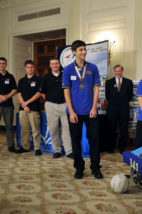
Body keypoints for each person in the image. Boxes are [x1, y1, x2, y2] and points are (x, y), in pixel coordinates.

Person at [62, 40, 103, 179]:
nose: (84, 52)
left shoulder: (93, 67)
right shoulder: (67, 70)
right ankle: (79, 167)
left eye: (85, 49)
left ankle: (95, 167)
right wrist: (71, 111)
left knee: (95, 139)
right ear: (74, 52)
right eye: (80, 50)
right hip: (74, 112)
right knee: (75, 139)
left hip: (90, 111)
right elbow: (66, 92)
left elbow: (96, 88)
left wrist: (94, 107)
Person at [40, 57, 73, 159]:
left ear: (59, 64)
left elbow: (70, 90)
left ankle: (69, 151)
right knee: (53, 130)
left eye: (56, 63)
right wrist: (51, 100)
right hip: (51, 106)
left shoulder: (65, 75)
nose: (54, 65)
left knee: (67, 129)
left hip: (65, 105)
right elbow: (42, 93)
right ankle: (57, 150)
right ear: (50, 66)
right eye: (52, 64)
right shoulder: (46, 77)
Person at [105, 65, 133, 154]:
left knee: (123, 130)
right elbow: (107, 96)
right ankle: (111, 148)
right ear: (114, 72)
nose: (117, 73)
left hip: (124, 109)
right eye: (116, 71)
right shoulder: (109, 82)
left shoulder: (128, 82)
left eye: (119, 71)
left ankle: (122, 148)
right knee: (111, 129)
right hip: (112, 110)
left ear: (122, 71)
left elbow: (130, 96)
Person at [16, 60, 42, 155]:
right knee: (24, 129)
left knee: (35, 129)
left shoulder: (39, 80)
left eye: (31, 67)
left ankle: (37, 148)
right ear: (25, 68)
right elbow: (19, 94)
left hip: (34, 108)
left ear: (34, 68)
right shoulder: (21, 81)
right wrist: (23, 104)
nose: (30, 69)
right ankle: (25, 147)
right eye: (28, 67)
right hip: (23, 109)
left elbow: (38, 94)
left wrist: (27, 103)